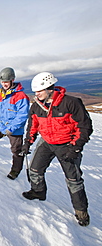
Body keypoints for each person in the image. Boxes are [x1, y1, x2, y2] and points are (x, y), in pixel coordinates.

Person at [21, 72, 93, 227]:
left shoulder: (71, 103)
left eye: (39, 91)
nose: (36, 94)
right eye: (35, 92)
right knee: (34, 170)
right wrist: (28, 142)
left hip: (68, 144)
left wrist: (75, 148)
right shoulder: (36, 106)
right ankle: (38, 191)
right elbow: (32, 126)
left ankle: (81, 212)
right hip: (47, 142)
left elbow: (84, 126)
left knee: (73, 179)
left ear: (50, 88)